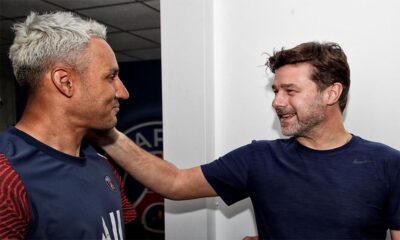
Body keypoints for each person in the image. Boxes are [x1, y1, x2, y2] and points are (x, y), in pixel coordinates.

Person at [91, 42, 400, 239]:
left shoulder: (388, 164)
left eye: (290, 91)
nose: (277, 102)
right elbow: (174, 183)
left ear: (331, 93)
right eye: (275, 90)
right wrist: (106, 133)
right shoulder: (259, 159)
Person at [0, 12, 136, 239]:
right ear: (65, 82)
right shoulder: (7, 177)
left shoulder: (102, 162)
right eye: (110, 77)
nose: (123, 92)